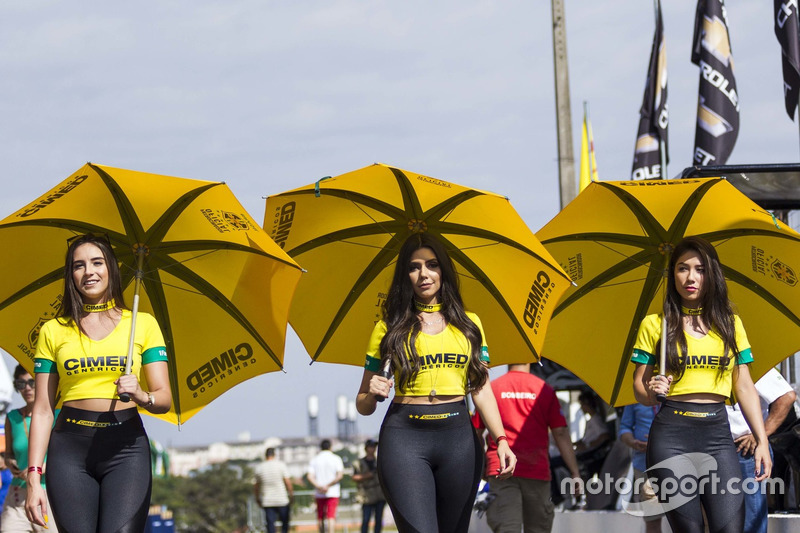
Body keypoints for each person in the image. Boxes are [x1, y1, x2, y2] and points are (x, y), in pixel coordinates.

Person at [356, 233, 517, 533]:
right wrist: (372, 392)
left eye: (432, 265)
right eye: (414, 267)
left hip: (459, 440)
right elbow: (363, 405)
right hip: (404, 439)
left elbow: (481, 389)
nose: (424, 274)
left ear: (443, 270)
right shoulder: (387, 328)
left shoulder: (470, 325)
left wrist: (502, 439)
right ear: (405, 275)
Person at [25, 233, 172, 532]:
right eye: (79, 265)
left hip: (126, 449)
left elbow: (164, 399)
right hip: (69, 451)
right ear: (71, 275)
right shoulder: (53, 330)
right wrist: (33, 477)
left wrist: (141, 394)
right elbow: (42, 410)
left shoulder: (142, 324)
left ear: (111, 269)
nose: (88, 271)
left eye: (97, 262)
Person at [632, 236, 771, 533]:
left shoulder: (731, 325)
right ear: (673, 276)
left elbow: (744, 386)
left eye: (700, 269)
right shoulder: (655, 325)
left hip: (719, 435)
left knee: (730, 528)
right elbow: (639, 390)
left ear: (713, 275)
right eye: (682, 269)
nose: (691, 277)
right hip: (671, 436)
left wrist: (762, 440)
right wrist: (652, 390)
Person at [471, 363, 581, 533]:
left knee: (507, 528)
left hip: (501, 469)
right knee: (538, 529)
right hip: (536, 470)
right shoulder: (544, 389)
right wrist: (575, 472)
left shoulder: (493, 388)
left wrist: (482, 466)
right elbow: (560, 433)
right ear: (530, 360)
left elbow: (476, 432)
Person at [726, 368, 796, 533]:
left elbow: (787, 396)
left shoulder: (752, 365)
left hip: (744, 450)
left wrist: (761, 435)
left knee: (751, 519)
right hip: (721, 447)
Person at [1, 366, 58, 533]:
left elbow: (64, 455)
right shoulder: (12, 417)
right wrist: (11, 463)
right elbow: (9, 454)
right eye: (21, 383)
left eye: (32, 382)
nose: (27, 388)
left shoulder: (57, 415)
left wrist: (36, 470)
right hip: (18, 493)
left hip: (49, 493)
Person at [618, 403, 662, 533]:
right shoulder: (634, 398)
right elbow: (624, 428)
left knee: (684, 520)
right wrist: (632, 442)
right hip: (644, 465)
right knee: (652, 520)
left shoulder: (677, 393)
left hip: (677, 465)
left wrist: (662, 442)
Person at [307, 439, 344, 533]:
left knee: (320, 517)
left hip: (319, 493)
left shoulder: (314, 459)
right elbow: (339, 475)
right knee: (331, 516)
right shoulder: (336, 458)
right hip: (333, 492)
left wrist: (319, 486)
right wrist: (328, 485)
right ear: (330, 447)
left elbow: (309, 476)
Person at [253, 447, 293, 533]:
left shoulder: (260, 467)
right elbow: (288, 483)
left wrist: (257, 499)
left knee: (270, 524)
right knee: (284, 523)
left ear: (265, 455)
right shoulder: (281, 465)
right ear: (274, 455)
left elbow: (256, 486)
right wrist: (291, 495)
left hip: (268, 500)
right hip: (282, 499)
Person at [351, 439, 386, 533]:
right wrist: (367, 475)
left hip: (379, 493)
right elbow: (354, 477)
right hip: (366, 494)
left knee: (378, 519)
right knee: (366, 519)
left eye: (374, 447)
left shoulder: (379, 461)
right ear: (366, 448)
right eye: (371, 447)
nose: (373, 449)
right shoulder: (359, 463)